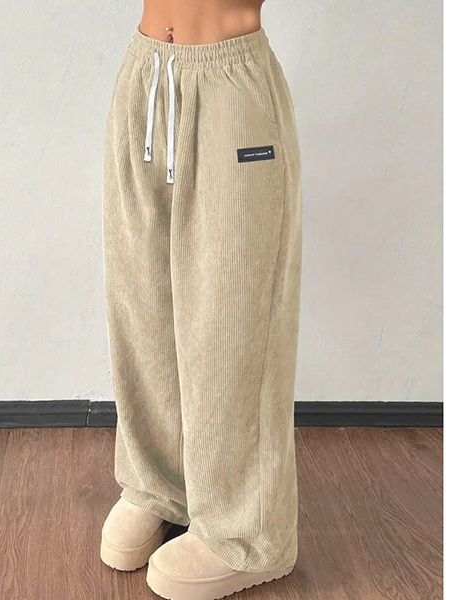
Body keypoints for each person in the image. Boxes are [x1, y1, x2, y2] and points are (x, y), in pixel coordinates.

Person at [100, 1, 302, 598]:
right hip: (146, 74)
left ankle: (249, 534)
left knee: (232, 314)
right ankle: (159, 482)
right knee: (141, 301)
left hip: (229, 86)